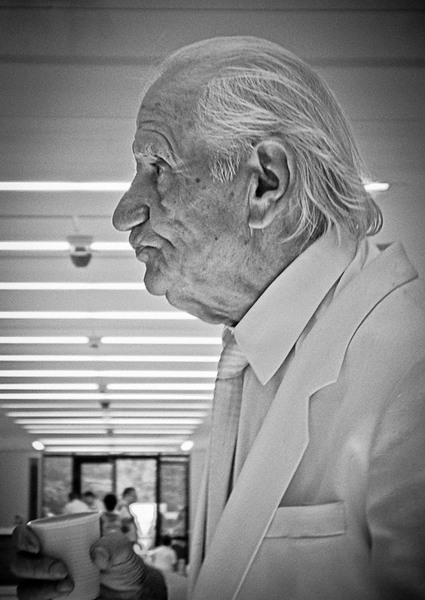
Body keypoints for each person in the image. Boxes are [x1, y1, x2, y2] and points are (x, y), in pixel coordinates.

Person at [11, 36, 425, 600]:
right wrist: (150, 592)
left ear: (265, 183)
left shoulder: (410, 370)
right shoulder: (259, 351)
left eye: (157, 166)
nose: (124, 213)